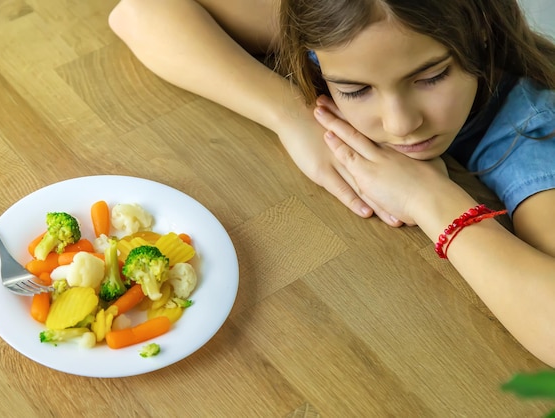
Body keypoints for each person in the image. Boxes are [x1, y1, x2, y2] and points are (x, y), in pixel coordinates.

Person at [109, 0, 555, 366]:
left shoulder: (531, 127)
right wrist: (290, 116)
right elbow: (139, 12)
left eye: (431, 77)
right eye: (355, 90)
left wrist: (430, 199)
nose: (400, 124)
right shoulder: (343, 18)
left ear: (481, 35)